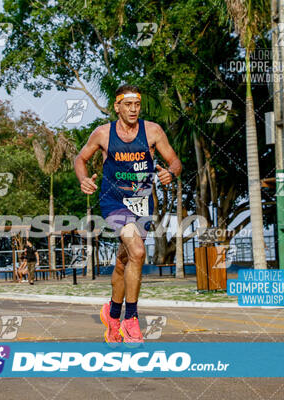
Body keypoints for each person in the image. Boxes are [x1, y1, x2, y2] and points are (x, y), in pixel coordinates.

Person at [74, 84, 181, 344]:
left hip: (143, 204)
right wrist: (84, 179)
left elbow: (175, 160)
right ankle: (130, 319)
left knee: (125, 260)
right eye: (128, 105)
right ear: (117, 106)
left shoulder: (153, 131)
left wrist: (171, 172)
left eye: (137, 105)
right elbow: (81, 159)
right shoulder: (103, 134)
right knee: (138, 252)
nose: (133, 109)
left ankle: (112, 314)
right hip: (114, 201)